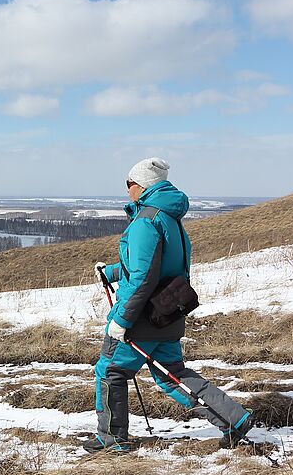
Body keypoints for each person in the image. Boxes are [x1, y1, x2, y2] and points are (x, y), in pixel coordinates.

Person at [84, 157, 254, 453]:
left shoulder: (145, 222)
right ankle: (234, 420)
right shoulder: (171, 220)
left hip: (140, 317)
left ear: (143, 185)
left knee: (111, 371)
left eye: (129, 184)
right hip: (167, 314)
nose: (127, 190)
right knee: (173, 376)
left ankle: (112, 440)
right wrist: (111, 271)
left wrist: (121, 321)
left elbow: (142, 278)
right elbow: (161, 267)